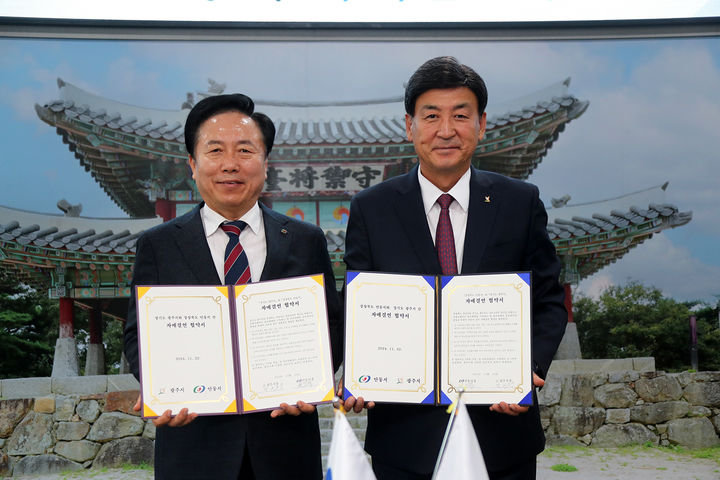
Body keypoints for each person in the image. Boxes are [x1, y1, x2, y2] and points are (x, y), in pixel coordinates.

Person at [343, 57, 567, 480]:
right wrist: (354, 372)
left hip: (502, 431)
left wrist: (529, 369)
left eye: (460, 115)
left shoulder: (519, 202)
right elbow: (357, 303)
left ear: (482, 125)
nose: (446, 130)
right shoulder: (372, 208)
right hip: (403, 435)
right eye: (431, 116)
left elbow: (549, 299)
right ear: (409, 126)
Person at [123, 93, 342, 480]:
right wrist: (163, 386)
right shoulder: (158, 245)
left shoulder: (306, 240)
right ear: (192, 164)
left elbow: (331, 328)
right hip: (193, 445)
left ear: (265, 163)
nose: (230, 165)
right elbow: (138, 335)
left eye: (244, 150)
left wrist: (312, 383)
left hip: (285, 447)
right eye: (215, 150)